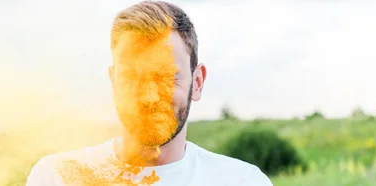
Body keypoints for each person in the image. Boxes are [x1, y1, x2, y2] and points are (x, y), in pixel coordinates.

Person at [26, 1, 273, 185]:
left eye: (166, 77)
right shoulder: (57, 176)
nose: (149, 97)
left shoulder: (242, 182)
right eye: (132, 77)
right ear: (114, 82)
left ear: (197, 82)